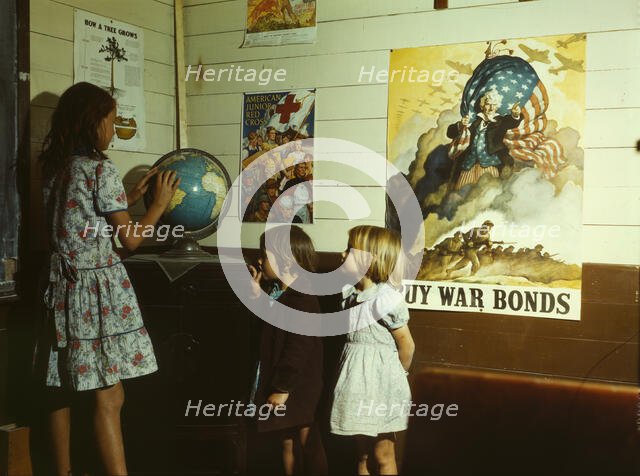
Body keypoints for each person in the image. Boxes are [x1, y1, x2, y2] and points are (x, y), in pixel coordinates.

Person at [36, 81, 180, 476]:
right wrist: (157, 207)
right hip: (97, 293)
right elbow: (130, 240)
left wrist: (126, 199)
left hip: (62, 289)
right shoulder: (101, 168)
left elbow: (79, 219)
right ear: (93, 122)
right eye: (112, 121)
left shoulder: (54, 165)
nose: (114, 130)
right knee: (110, 394)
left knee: (62, 384)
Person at [330, 226, 415, 476]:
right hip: (355, 385)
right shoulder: (350, 295)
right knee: (361, 456)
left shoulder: (385, 299)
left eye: (349, 249)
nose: (341, 253)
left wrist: (394, 376)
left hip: (381, 387)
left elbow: (406, 345)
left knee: (383, 455)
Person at [248, 226, 327, 475]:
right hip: (285, 383)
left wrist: (282, 388)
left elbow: (298, 347)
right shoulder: (281, 294)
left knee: (307, 442)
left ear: (286, 260)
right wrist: (256, 294)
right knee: (286, 441)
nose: (260, 260)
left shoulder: (302, 298)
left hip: (297, 386)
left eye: (265, 255)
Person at [447, 88, 522, 190]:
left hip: (490, 166)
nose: (491, 108)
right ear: (482, 106)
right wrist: (460, 125)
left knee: (485, 195)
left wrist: (515, 115)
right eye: (488, 104)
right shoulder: (475, 123)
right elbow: (450, 133)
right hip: (469, 165)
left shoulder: (500, 122)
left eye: (494, 105)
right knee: (461, 193)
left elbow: (512, 122)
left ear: (497, 107)